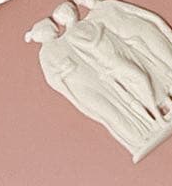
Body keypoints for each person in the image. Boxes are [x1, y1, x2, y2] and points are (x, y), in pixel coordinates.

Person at [24, 18, 151, 149]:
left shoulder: (65, 40)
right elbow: (52, 79)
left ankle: (145, 129)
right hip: (81, 87)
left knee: (121, 101)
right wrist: (65, 71)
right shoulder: (45, 54)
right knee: (109, 111)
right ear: (41, 34)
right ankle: (136, 139)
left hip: (96, 77)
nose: (54, 29)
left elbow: (86, 53)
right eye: (49, 27)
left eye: (52, 27)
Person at [72, 0, 172, 102]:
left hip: (144, 31)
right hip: (134, 44)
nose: (85, 2)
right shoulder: (92, 19)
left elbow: (138, 12)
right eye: (82, 2)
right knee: (158, 66)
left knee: (169, 57)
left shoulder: (109, 4)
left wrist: (160, 23)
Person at [53, 1, 165, 122]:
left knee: (139, 81)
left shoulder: (85, 23)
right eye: (69, 10)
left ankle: (159, 112)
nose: (73, 11)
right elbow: (90, 44)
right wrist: (100, 29)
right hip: (109, 61)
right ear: (64, 17)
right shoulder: (71, 35)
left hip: (117, 53)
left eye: (72, 9)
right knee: (141, 78)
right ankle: (156, 115)